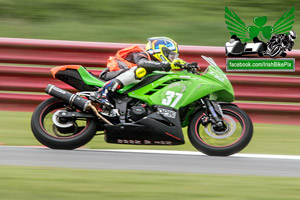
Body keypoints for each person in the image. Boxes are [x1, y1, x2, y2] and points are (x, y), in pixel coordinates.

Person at [98, 37, 190, 108]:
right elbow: (142, 63)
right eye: (171, 56)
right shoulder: (142, 54)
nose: (171, 59)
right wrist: (165, 65)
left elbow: (176, 63)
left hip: (127, 83)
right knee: (140, 70)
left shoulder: (156, 65)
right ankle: (104, 91)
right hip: (111, 75)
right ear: (161, 51)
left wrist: (187, 66)